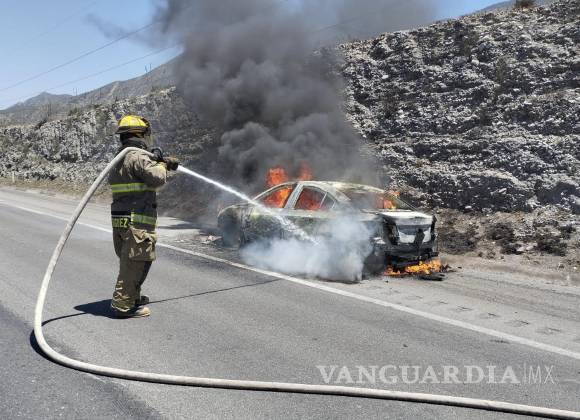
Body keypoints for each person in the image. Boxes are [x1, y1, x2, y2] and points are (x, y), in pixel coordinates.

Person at [108, 115, 179, 318]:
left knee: (133, 263)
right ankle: (123, 306)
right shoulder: (137, 156)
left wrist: (158, 162)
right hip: (137, 222)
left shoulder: (119, 157)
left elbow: (139, 177)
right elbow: (156, 178)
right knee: (134, 264)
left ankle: (133, 297)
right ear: (140, 135)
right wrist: (163, 165)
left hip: (122, 221)